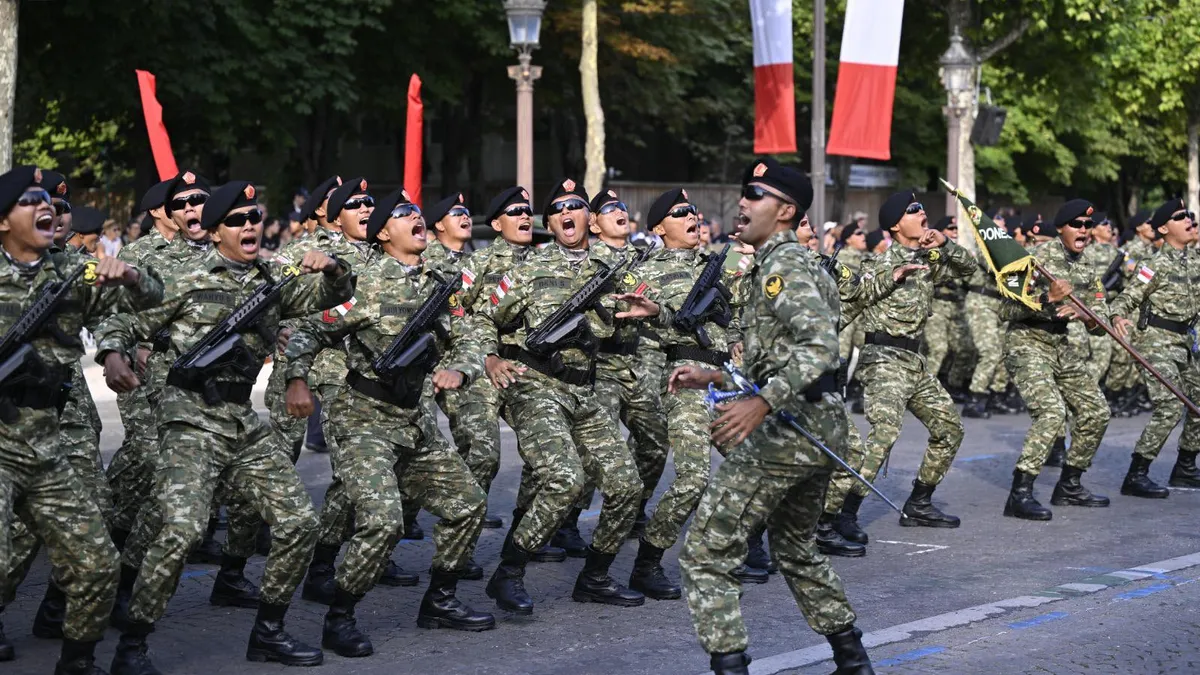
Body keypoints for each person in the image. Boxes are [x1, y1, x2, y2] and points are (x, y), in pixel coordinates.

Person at [95, 180, 353, 672]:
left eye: (255, 216)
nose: (250, 225)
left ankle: (269, 633)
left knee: (299, 523)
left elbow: (332, 297)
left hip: (241, 420)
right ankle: (133, 644)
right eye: (236, 220)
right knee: (183, 529)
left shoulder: (272, 280)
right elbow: (125, 318)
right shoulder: (186, 276)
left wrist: (335, 268)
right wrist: (111, 355)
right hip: (189, 418)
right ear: (214, 232)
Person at [669, 159, 873, 675]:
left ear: (785, 211)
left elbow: (821, 348)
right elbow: (782, 358)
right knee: (795, 547)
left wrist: (760, 403)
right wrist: (717, 378)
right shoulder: (782, 263)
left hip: (788, 431)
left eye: (755, 194)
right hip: (818, 429)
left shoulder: (784, 267)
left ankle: (730, 667)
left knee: (705, 552)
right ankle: (853, 659)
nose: (743, 201)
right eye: (744, 191)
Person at [284, 188, 494, 656]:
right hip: (363, 420)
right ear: (382, 233)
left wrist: (463, 368)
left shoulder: (440, 283)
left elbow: (470, 332)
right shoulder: (362, 284)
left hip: (414, 420)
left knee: (469, 504)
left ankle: (439, 600)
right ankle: (340, 616)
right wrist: (296, 380)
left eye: (417, 212)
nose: (416, 218)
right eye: (403, 214)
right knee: (382, 522)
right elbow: (310, 329)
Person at [0, 165, 164, 673]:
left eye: (47, 199)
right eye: (30, 200)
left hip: (47, 443)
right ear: (4, 220)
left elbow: (145, 299)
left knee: (97, 564)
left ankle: (77, 662)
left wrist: (129, 282)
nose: (45, 205)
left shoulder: (71, 269)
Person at [480, 178, 650, 615]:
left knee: (628, 487)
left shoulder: (611, 271)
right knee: (564, 479)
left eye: (574, 206)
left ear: (588, 219)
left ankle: (594, 576)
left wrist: (636, 313)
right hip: (536, 387)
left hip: (584, 389)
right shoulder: (527, 269)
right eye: (557, 210)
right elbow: (480, 316)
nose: (566, 214)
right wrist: (489, 358)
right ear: (550, 223)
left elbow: (625, 327)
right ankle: (509, 572)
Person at [629, 187, 761, 598]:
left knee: (757, 469)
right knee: (692, 480)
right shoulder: (644, 271)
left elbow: (739, 311)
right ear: (658, 228)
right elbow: (644, 331)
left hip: (722, 381)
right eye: (680, 212)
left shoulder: (718, 264)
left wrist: (738, 336)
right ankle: (647, 562)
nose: (693, 217)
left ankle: (729, 550)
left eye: (694, 211)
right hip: (683, 380)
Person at [824, 191, 975, 532]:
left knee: (950, 429)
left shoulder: (927, 261)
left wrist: (945, 242)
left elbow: (968, 267)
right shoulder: (877, 265)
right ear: (895, 224)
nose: (922, 213)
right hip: (883, 358)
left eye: (922, 207)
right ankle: (843, 513)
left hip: (914, 360)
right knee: (885, 432)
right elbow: (849, 307)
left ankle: (920, 501)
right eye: (913, 210)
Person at [567, 188, 669, 556]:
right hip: (600, 364)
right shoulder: (585, 260)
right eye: (609, 209)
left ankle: (634, 509)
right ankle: (569, 520)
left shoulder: (645, 260)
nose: (618, 212)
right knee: (597, 449)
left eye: (622, 207)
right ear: (593, 222)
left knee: (655, 441)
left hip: (637, 362)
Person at [999, 200, 1111, 520]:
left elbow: (1100, 320)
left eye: (1088, 226)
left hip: (1060, 344)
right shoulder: (1034, 260)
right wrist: (1048, 299)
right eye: (1077, 225)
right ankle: (1020, 493)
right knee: (1052, 413)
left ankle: (1070, 485)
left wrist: (1087, 316)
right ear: (1061, 228)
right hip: (1027, 342)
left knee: (1097, 411)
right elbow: (1005, 310)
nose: (1084, 231)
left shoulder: (1088, 267)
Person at [1110, 198, 1200, 496]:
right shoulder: (1153, 264)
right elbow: (1128, 296)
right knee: (1171, 406)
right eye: (1180, 217)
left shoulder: (1196, 260)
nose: (1189, 220)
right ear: (1163, 228)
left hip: (1186, 342)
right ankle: (1136, 474)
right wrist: (1118, 313)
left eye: (1189, 215)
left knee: (1198, 402)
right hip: (1156, 342)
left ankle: (1185, 468)